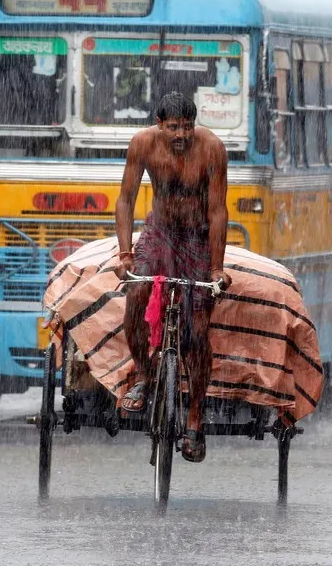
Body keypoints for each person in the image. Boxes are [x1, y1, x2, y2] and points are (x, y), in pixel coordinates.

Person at [114, 91, 231, 463]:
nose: (181, 135)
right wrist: (125, 255)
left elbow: (218, 210)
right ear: (159, 124)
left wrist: (216, 268)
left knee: (197, 330)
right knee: (135, 296)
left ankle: (195, 417)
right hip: (159, 233)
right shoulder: (143, 144)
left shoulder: (212, 149)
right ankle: (145, 376)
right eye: (173, 127)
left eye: (187, 127)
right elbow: (125, 199)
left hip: (198, 237)